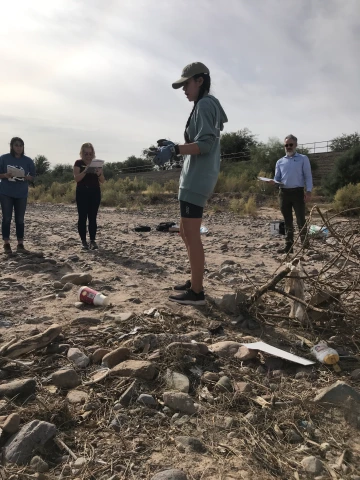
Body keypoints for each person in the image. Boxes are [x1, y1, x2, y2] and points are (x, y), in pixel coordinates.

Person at [152, 62, 228, 305]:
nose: (184, 88)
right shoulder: (203, 105)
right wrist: (174, 144)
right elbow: (201, 140)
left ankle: (197, 292)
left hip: (197, 179)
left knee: (192, 235)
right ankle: (194, 280)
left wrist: (174, 149)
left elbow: (204, 144)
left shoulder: (205, 104)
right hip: (193, 178)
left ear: (200, 80)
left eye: (187, 83)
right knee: (185, 231)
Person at [272, 134, 313, 254]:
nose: (288, 147)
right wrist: (273, 182)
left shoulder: (303, 158)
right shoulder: (280, 161)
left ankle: (305, 245)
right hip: (284, 193)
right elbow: (277, 178)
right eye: (286, 145)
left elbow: (308, 176)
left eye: (290, 144)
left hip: (298, 193)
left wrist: (309, 191)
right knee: (286, 220)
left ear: (295, 145)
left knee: (301, 219)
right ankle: (288, 246)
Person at [0, 137, 36, 254]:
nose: (19, 147)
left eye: (21, 145)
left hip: (21, 193)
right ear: (11, 146)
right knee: (7, 218)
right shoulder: (4, 158)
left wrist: (28, 177)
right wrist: (5, 175)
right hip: (6, 192)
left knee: (20, 219)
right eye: (16, 145)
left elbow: (33, 175)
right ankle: (6, 243)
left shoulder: (28, 160)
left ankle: (20, 244)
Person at [73, 143, 105, 250]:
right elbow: (77, 179)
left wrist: (99, 173)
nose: (88, 156)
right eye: (86, 153)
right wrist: (86, 170)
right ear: (82, 153)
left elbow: (103, 181)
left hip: (95, 192)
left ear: (93, 154)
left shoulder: (96, 163)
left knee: (93, 217)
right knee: (82, 217)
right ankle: (83, 241)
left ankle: (92, 240)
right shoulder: (78, 163)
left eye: (90, 153)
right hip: (82, 192)